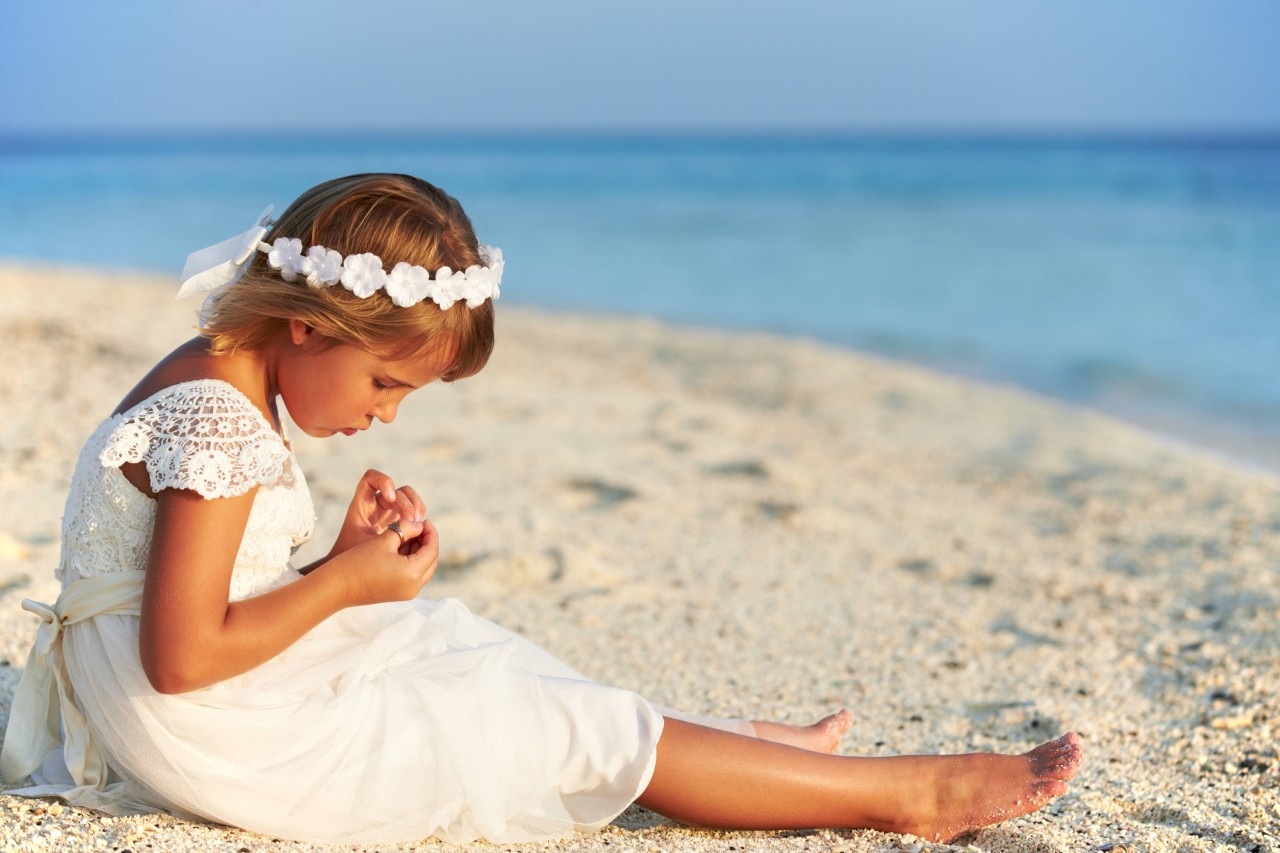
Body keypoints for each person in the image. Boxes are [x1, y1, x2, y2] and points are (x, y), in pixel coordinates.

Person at [0, 173, 1082, 846]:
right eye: (387, 385)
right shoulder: (224, 422)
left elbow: (187, 581)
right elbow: (185, 653)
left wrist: (336, 562)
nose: (383, 416)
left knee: (455, 644)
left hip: (152, 688)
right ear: (311, 327)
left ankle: (735, 746)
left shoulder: (214, 365)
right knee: (534, 717)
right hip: (202, 725)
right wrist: (341, 583)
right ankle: (906, 793)